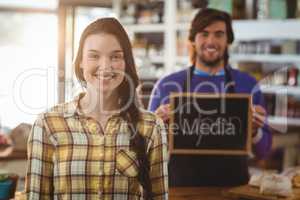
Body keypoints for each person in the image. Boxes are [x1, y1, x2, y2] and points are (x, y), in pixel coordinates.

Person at [26, 18, 168, 199]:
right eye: (94, 55)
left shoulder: (152, 127)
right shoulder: (47, 124)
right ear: (80, 62)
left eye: (115, 56)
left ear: (126, 63)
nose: (106, 66)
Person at [148, 8, 272, 186]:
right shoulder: (166, 85)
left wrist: (254, 131)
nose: (211, 41)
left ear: (228, 39)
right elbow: (146, 153)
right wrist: (156, 129)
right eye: (204, 34)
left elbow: (264, 152)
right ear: (193, 39)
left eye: (219, 34)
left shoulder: (247, 85)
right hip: (181, 190)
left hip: (233, 190)